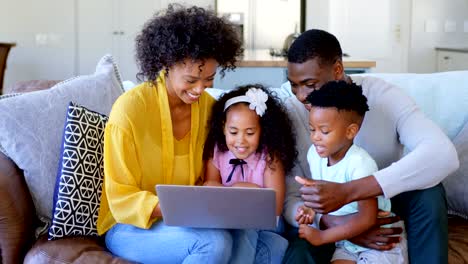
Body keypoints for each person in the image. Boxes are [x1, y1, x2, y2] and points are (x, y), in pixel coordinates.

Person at [282, 29, 459, 264]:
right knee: (297, 253)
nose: (301, 96)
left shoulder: (384, 97)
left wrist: (351, 191)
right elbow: (289, 195)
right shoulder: (289, 109)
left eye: (310, 84)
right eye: (295, 85)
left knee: (429, 192)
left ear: (337, 70)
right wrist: (338, 224)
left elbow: (443, 154)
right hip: (327, 218)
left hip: (386, 208)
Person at [96, 5, 243, 263]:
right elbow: (120, 197)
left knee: (268, 241)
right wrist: (182, 210)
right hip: (130, 226)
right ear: (166, 63)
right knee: (213, 244)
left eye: (208, 79)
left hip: (192, 220)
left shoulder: (210, 109)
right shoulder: (130, 110)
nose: (200, 90)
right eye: (190, 80)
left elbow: (211, 174)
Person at [295, 80, 407, 263]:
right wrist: (309, 209)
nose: (315, 137)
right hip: (346, 241)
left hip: (381, 241)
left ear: (350, 131)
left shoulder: (360, 163)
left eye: (324, 131)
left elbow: (367, 218)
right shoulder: (313, 155)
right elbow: (323, 196)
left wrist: (322, 237)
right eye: (312, 129)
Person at [203, 84, 297, 264]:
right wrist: (248, 192)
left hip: (268, 225)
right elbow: (209, 187)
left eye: (250, 133)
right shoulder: (216, 152)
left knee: (246, 224)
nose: (240, 140)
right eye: (233, 132)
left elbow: (273, 209)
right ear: (223, 127)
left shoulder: (270, 158)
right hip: (229, 219)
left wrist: (234, 191)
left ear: (263, 130)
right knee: (269, 245)